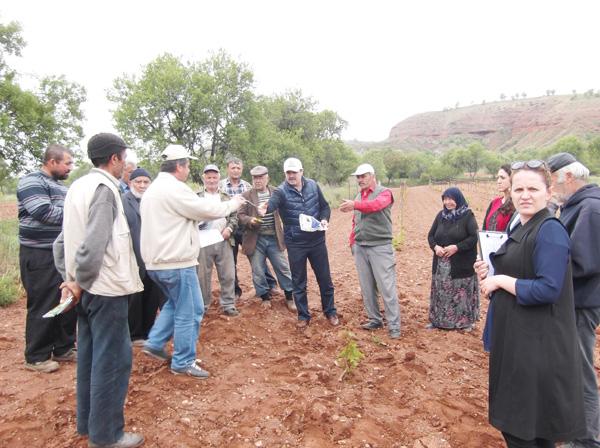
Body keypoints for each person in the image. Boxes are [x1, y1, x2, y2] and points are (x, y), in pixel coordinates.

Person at [476, 160, 585, 447]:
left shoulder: (549, 230)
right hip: (519, 342)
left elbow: (548, 288)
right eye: (519, 188)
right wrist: (492, 273)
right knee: (529, 431)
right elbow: (523, 271)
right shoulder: (523, 225)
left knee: (523, 431)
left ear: (548, 193)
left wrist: (500, 282)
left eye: (533, 189)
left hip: (537, 349)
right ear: (510, 192)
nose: (525, 195)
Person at [56, 132, 144, 448]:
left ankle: (88, 425)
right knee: (112, 361)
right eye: (124, 158)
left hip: (86, 289)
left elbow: (61, 242)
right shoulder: (105, 190)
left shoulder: (78, 186)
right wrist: (80, 280)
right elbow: (94, 245)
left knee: (91, 357)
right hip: (104, 289)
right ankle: (106, 436)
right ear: (115, 159)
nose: (126, 166)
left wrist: (70, 279)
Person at [140, 145, 243, 379]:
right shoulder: (175, 189)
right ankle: (183, 361)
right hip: (176, 261)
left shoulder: (155, 189)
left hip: (157, 262)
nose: (188, 170)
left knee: (176, 303)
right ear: (179, 166)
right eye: (187, 166)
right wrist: (233, 204)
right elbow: (205, 209)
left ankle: (155, 342)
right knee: (191, 310)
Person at [547, 152, 600, 448]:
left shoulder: (591, 208)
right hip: (572, 301)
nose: (551, 189)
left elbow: (583, 262)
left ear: (568, 177)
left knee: (580, 373)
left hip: (581, 303)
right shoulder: (576, 205)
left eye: (552, 181)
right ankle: (571, 431)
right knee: (570, 369)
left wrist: (546, 271)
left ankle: (586, 440)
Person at [259, 157, 339, 329]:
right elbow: (272, 204)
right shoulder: (281, 191)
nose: (291, 175)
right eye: (288, 172)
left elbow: (325, 207)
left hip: (317, 240)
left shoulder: (313, 185)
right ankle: (303, 315)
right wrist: (265, 208)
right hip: (296, 243)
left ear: (301, 172)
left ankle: (330, 311)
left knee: (324, 279)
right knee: (299, 281)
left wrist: (324, 219)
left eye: (294, 172)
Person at [17, 144, 77, 373]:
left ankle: (63, 348)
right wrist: (76, 215)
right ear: (52, 161)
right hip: (39, 254)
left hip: (60, 253)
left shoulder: (60, 187)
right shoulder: (32, 182)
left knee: (67, 300)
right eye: (67, 163)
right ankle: (37, 356)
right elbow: (43, 211)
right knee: (43, 302)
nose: (70, 167)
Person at [339, 163, 401, 339]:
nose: (360, 180)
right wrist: (352, 243)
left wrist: (355, 204)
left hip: (380, 246)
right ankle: (375, 319)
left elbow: (375, 206)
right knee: (367, 287)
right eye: (358, 177)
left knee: (386, 287)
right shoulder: (359, 195)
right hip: (361, 247)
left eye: (363, 176)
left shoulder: (384, 192)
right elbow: (355, 221)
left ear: (372, 176)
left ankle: (394, 326)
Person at [238, 165, 296, 311]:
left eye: (261, 177)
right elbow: (240, 216)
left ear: (267, 178)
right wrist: (250, 220)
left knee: (283, 267)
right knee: (257, 270)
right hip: (255, 239)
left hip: (274, 238)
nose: (258, 181)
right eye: (255, 178)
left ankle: (290, 297)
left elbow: (288, 209)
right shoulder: (246, 196)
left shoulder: (276, 192)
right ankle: (264, 296)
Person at [219, 156, 276, 297]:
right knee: (230, 260)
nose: (236, 170)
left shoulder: (248, 186)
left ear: (242, 169)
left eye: (238, 168)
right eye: (233, 167)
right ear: (227, 169)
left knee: (256, 257)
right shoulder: (220, 186)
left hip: (246, 227)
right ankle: (235, 291)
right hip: (228, 228)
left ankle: (270, 284)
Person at [122, 168, 165, 345]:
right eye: (138, 182)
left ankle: (148, 331)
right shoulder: (123, 201)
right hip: (133, 256)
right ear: (130, 183)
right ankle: (134, 334)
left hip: (154, 256)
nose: (142, 185)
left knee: (152, 295)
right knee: (135, 297)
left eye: (145, 182)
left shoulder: (155, 201)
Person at [427, 187, 479, 330]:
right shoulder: (440, 216)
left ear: (458, 199)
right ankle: (438, 321)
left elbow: (474, 237)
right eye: (445, 199)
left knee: (460, 293)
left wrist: (456, 247)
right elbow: (431, 236)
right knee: (441, 292)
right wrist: (435, 247)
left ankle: (464, 323)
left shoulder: (467, 216)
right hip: (441, 264)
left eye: (451, 199)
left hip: (461, 264)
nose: (447, 202)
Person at [196, 164, 239, 317]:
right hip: (203, 242)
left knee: (228, 274)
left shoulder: (226, 197)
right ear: (204, 178)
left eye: (214, 177)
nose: (212, 180)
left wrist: (229, 229)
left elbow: (234, 216)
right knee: (202, 276)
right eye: (209, 177)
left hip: (223, 239)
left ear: (219, 178)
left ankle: (228, 304)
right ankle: (203, 306)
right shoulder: (196, 197)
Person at [483, 164, 515, 232]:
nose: (498, 181)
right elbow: (484, 228)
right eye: (498, 178)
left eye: (502, 178)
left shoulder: (516, 204)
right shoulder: (494, 202)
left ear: (512, 179)